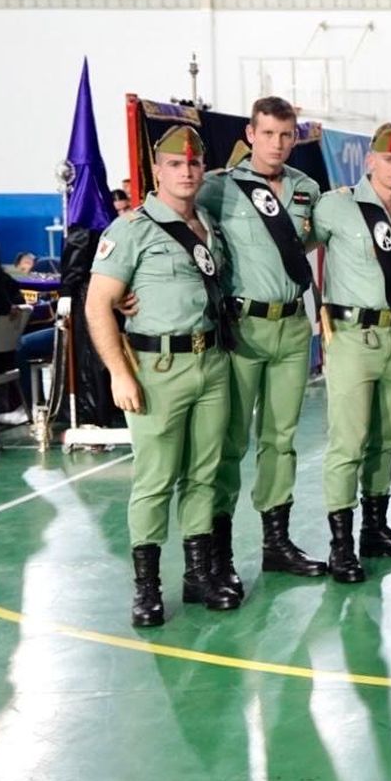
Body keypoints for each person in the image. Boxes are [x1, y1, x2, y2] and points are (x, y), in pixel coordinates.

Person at [85, 126, 237, 625]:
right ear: (157, 170)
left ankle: (198, 576)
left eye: (194, 164)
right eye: (176, 164)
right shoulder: (131, 230)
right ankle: (146, 589)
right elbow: (97, 306)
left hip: (211, 363)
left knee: (204, 475)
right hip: (157, 368)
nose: (187, 172)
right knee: (154, 481)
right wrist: (119, 374)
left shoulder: (210, 225)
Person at [198, 96, 326, 590]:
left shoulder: (306, 189)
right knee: (229, 441)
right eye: (268, 133)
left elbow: (307, 244)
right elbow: (181, 229)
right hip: (242, 329)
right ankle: (220, 552)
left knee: (281, 438)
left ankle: (277, 543)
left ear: (296, 137)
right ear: (250, 134)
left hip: (293, 328)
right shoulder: (219, 189)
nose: (277, 144)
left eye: (286, 134)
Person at [311, 123, 391, 583]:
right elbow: (285, 251)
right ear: (369, 161)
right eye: (388, 159)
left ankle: (375, 530)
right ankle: (341, 545)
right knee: (349, 441)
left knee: (387, 438)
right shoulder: (335, 206)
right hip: (353, 337)